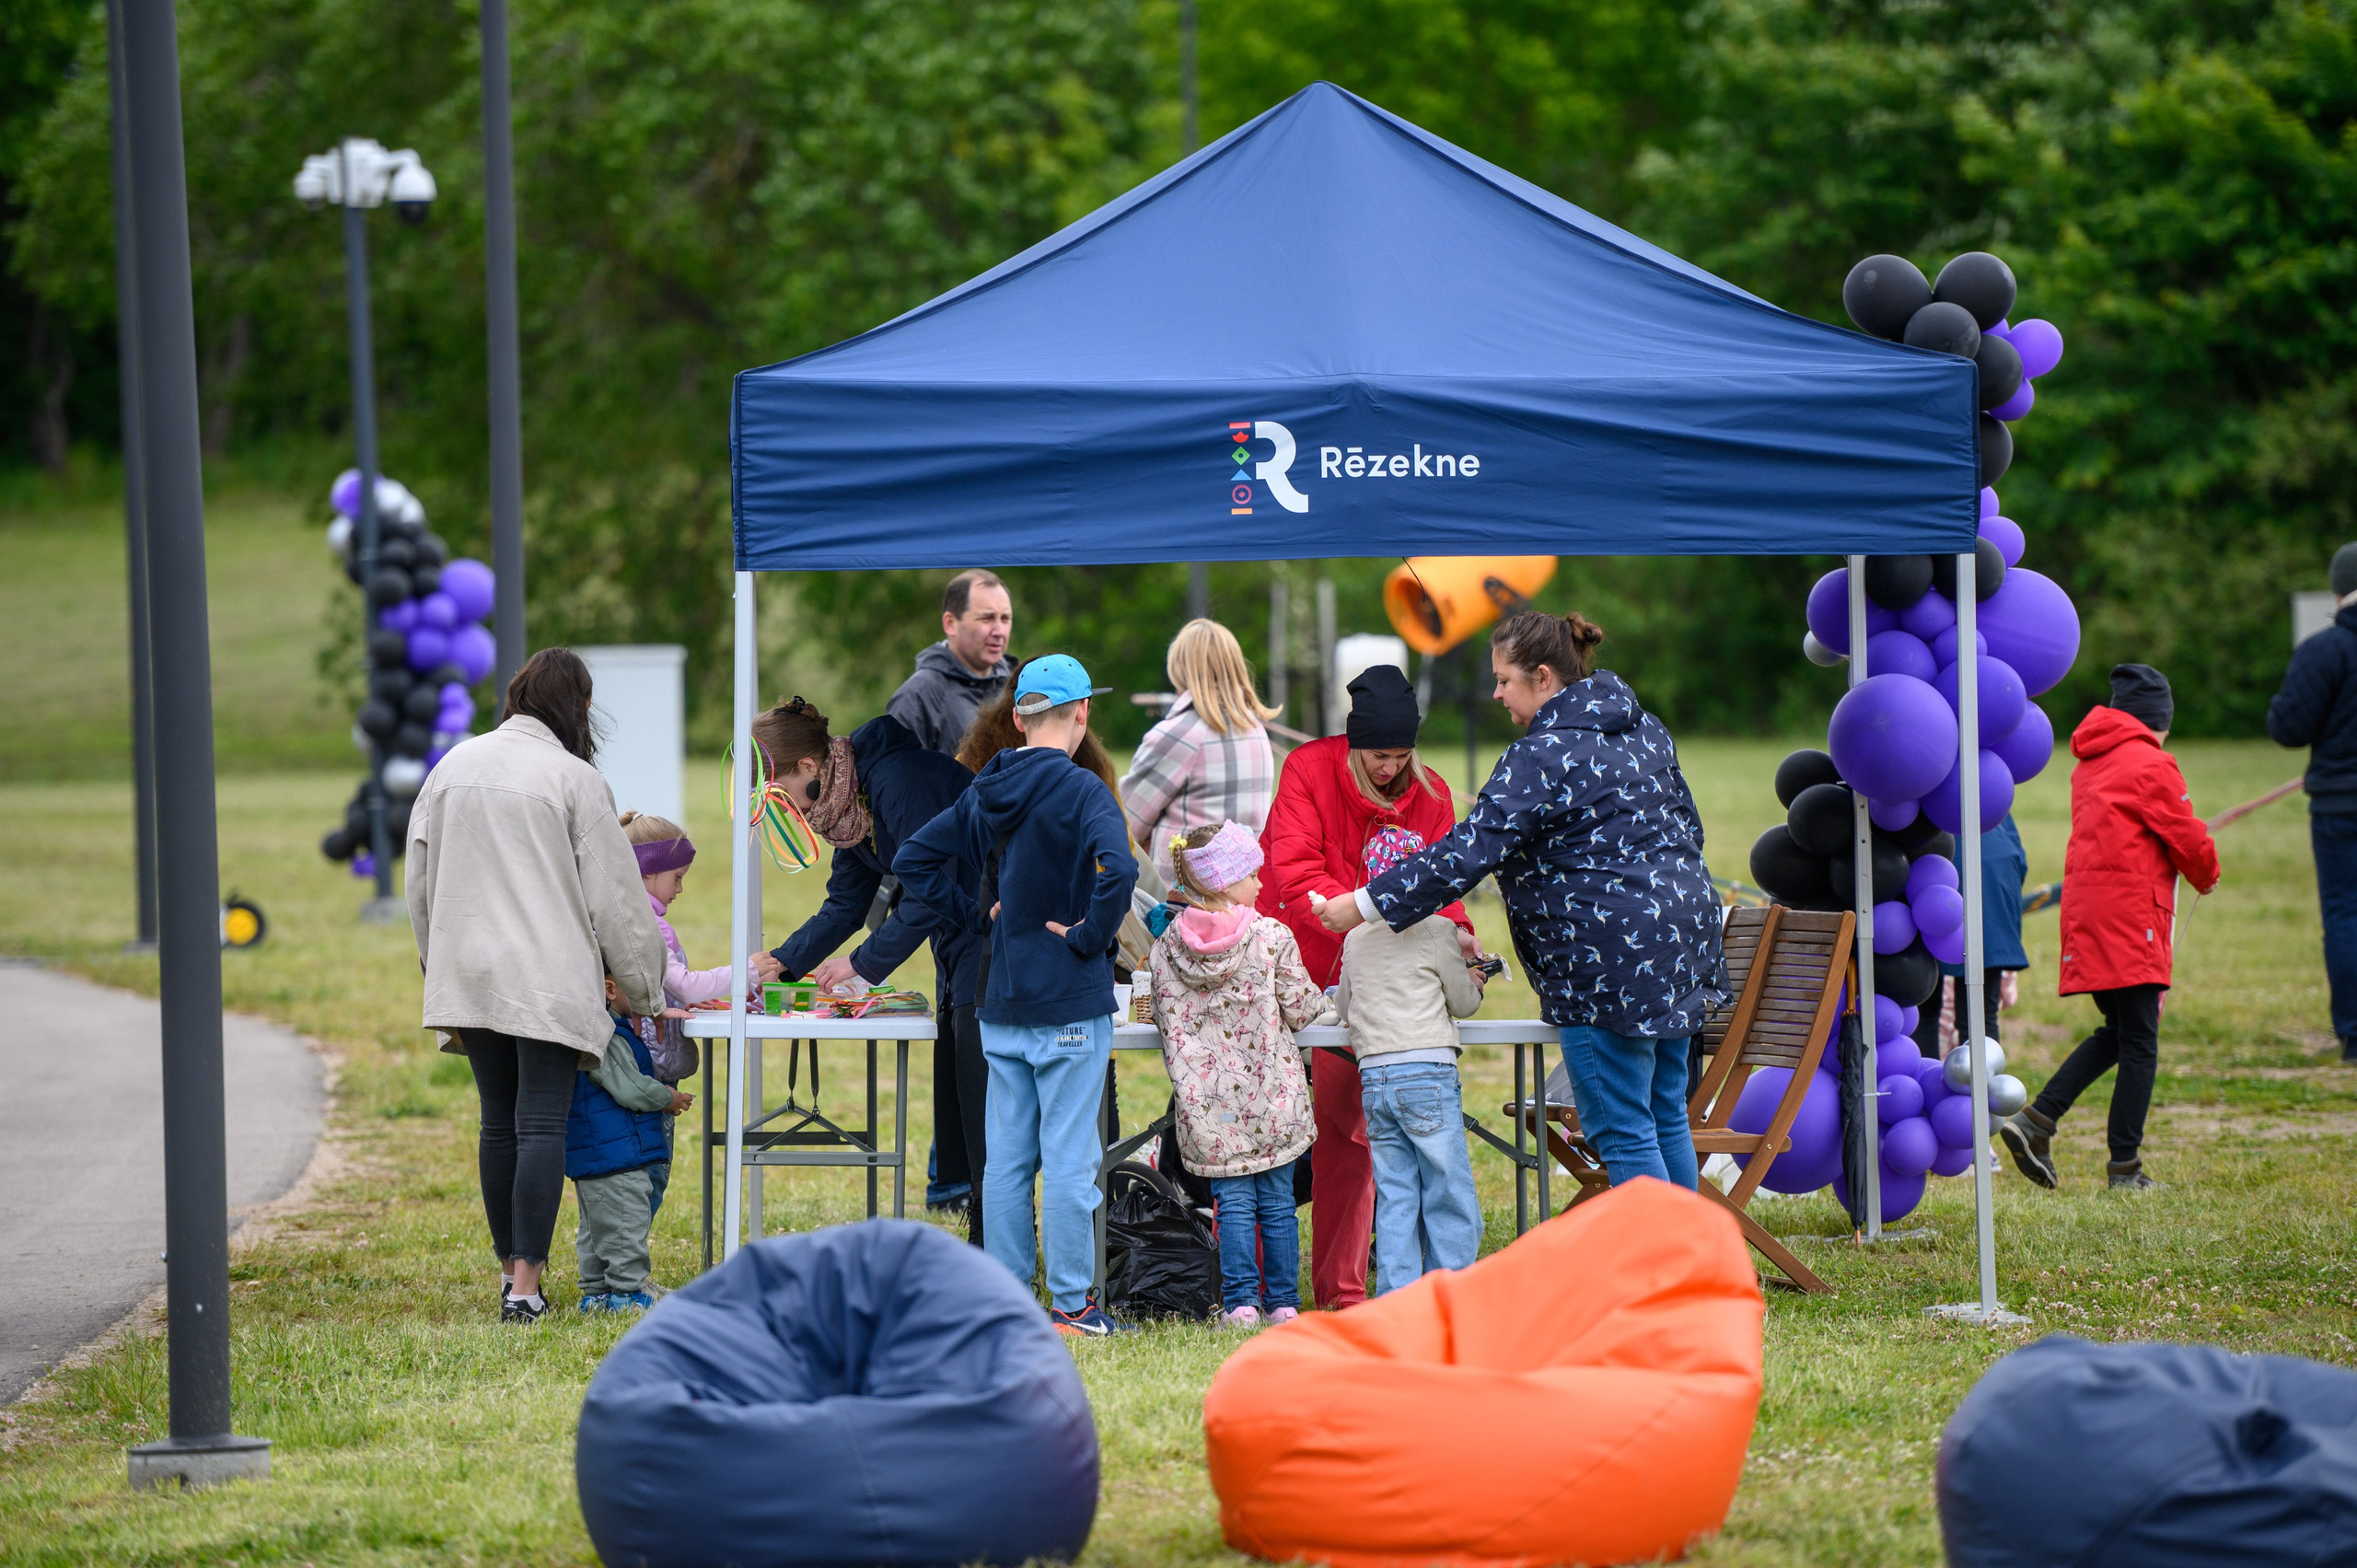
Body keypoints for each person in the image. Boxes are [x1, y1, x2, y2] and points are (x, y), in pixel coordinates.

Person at [1318, 611, 1725, 1191]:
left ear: (1542, 676)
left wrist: (1364, 904)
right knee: (1663, 1118)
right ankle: (1700, 1274)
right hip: (1683, 943)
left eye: (1505, 679)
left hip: (1605, 961)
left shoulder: (1541, 754)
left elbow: (1466, 853)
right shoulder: (1645, 729)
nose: (1496, 692)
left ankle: (1662, 1278)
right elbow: (1689, 825)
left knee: (1622, 1128)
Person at [405, 648, 666, 1323]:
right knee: (540, 1121)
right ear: (576, 707)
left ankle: (508, 1277)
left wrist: (440, 968)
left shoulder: (451, 766)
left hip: (469, 973)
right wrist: (646, 991)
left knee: (499, 1122)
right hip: (546, 980)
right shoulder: (576, 779)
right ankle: (526, 1286)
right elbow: (616, 899)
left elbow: (419, 883)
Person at [895, 655, 1141, 1337]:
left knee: (1003, 1162)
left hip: (999, 1004)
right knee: (1068, 1158)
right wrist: (1093, 935)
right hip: (1067, 1000)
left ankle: (1005, 1305)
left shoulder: (986, 787)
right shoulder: (1087, 790)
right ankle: (1071, 1306)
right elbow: (1118, 866)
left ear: (1020, 717)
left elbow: (914, 856)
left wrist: (978, 916)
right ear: (1081, 713)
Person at [1256, 664, 1476, 1309]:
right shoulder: (1307, 769)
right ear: (1354, 745)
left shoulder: (1432, 795)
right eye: (1379, 755)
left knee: (1359, 1133)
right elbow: (1295, 876)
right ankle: (1303, 1283)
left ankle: (1349, 1291)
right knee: (1303, 1132)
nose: (1390, 768)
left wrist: (1458, 937)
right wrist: (1358, 927)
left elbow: (1445, 891)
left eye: (1402, 755)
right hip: (1302, 968)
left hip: (1386, 990)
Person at [743, 702, 987, 1242]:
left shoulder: (898, 783)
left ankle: (996, 1242)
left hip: (993, 937)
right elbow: (846, 905)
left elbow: (931, 891)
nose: (784, 809)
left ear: (808, 767)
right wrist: (782, 964)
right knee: (960, 1086)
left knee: (979, 1092)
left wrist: (862, 964)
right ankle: (984, 1231)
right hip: (960, 942)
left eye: (778, 790)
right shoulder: (849, 806)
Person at [2002, 665, 2220, 1192]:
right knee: (2140, 1042)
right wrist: (2207, 873)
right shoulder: (2152, 763)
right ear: (2155, 720)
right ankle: (2126, 1168)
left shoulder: (2091, 763)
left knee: (2119, 1033)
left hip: (2088, 916)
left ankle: (2038, 1120)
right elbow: (2187, 838)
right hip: (2131, 920)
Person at [1148, 821, 1324, 1328]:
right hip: (1272, 1097)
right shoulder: (1270, 937)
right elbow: (1302, 1006)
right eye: (1250, 873)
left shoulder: (1165, 950)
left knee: (1235, 1204)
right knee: (1277, 1203)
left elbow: (1162, 1016)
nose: (1260, 883)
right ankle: (1283, 1303)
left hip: (1210, 1106)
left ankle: (1241, 1303)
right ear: (1223, 882)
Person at [1336, 829, 1491, 1296]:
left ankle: (1396, 1299)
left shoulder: (1356, 939)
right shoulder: (1437, 930)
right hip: (1426, 1070)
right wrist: (1476, 980)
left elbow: (1344, 1007)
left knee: (1397, 1193)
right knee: (1448, 1190)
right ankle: (1451, 1290)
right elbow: (1461, 1003)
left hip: (1375, 1075)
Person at [2266, 542, 2357, 1063]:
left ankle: (2353, 1031)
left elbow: (2288, 727)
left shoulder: (2324, 651)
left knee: (2345, 915)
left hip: (2340, 805)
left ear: (2337, 591)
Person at [1120, 619, 1280, 887]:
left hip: (1182, 899)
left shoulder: (1182, 732)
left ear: (1179, 668)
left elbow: (1125, 821)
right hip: (1242, 891)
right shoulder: (1255, 729)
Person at [570, 974, 693, 1314]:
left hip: (598, 1153)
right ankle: (626, 1294)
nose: (654, 997)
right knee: (626, 1223)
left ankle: (595, 1294)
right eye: (644, 989)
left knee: (598, 1227)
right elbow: (631, 1087)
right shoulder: (607, 1036)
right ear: (610, 988)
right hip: (617, 1153)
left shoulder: (597, 1027)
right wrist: (668, 1096)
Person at [1912, 811, 2028, 1055]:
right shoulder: (1983, 790)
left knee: (1923, 1012)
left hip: (1932, 889)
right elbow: (2019, 858)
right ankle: (1982, 1091)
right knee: (1980, 1019)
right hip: (1991, 891)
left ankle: (1925, 1088)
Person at [889, 569, 1016, 755]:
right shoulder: (916, 697)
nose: (999, 631)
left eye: (1005, 618)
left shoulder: (1018, 688)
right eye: (986, 618)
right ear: (950, 624)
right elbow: (897, 778)